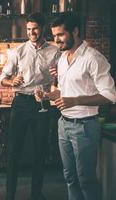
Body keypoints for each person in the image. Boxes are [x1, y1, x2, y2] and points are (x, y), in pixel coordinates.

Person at [43, 13, 116, 200]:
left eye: (60, 35)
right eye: (54, 36)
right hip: (63, 124)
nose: (56, 40)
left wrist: (75, 100)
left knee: (86, 180)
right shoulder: (61, 60)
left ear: (75, 31)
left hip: (84, 126)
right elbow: (63, 93)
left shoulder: (94, 58)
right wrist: (48, 95)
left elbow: (110, 95)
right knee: (70, 178)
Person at [0, 13, 61, 200]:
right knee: (14, 151)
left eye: (34, 28)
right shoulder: (17, 52)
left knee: (40, 151)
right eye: (28, 29)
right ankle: (10, 195)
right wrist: (12, 82)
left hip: (42, 104)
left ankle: (36, 194)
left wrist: (58, 76)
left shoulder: (55, 52)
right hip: (21, 103)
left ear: (42, 28)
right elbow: (3, 79)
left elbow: (60, 80)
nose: (31, 32)